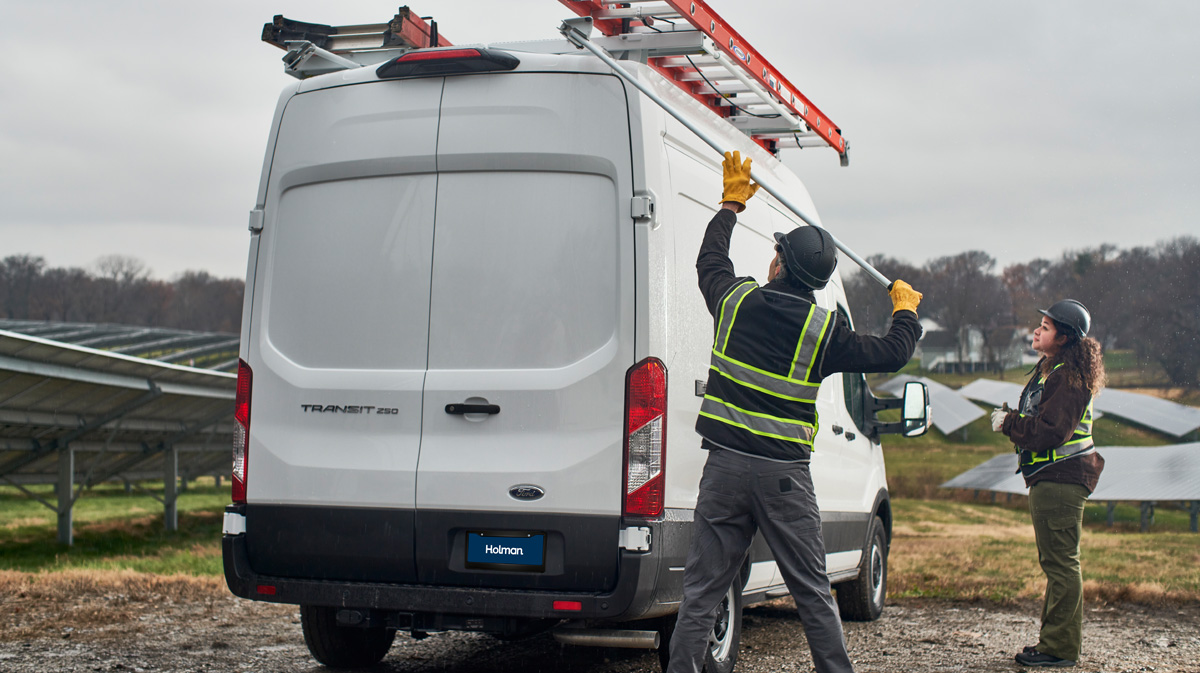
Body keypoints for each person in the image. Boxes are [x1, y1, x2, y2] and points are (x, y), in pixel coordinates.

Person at [665, 151, 923, 673]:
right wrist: (906, 311)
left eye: (776, 251)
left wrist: (730, 206)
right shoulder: (824, 332)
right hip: (784, 479)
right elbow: (892, 352)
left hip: (725, 471)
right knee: (810, 590)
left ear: (779, 264)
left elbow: (709, 262)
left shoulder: (736, 304)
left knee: (701, 593)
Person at [992, 299, 1107, 668]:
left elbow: (1050, 432)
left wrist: (1008, 423)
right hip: (1052, 478)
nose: (1037, 330)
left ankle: (1058, 649)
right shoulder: (1053, 369)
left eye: (1046, 326)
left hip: (1062, 478)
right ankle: (1053, 643)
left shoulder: (1067, 378)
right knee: (1057, 562)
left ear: (1065, 337)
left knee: (1061, 564)